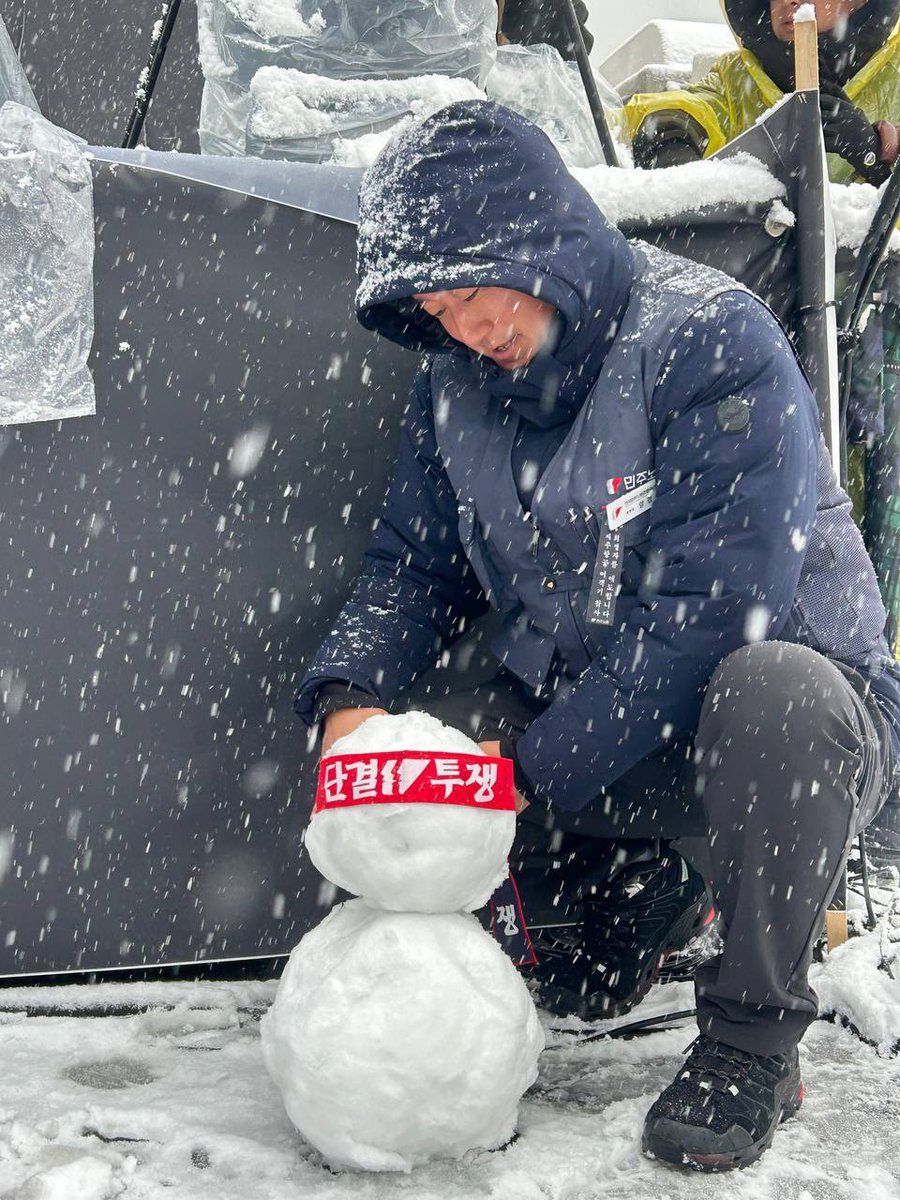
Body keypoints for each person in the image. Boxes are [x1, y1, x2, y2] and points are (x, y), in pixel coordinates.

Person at [294, 100, 900, 1171]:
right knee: (429, 737)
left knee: (774, 692)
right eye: (437, 307)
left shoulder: (710, 343)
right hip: (604, 720)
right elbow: (411, 567)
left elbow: (717, 618)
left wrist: (524, 772)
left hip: (790, 730)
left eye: (477, 292)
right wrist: (351, 707)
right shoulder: (455, 391)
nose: (466, 328)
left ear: (540, 241)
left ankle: (753, 1037)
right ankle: (639, 890)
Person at [625, 0, 899, 182]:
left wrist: (874, 159)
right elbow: (698, 106)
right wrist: (670, 132)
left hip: (871, 270)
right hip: (750, 269)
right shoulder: (736, 74)